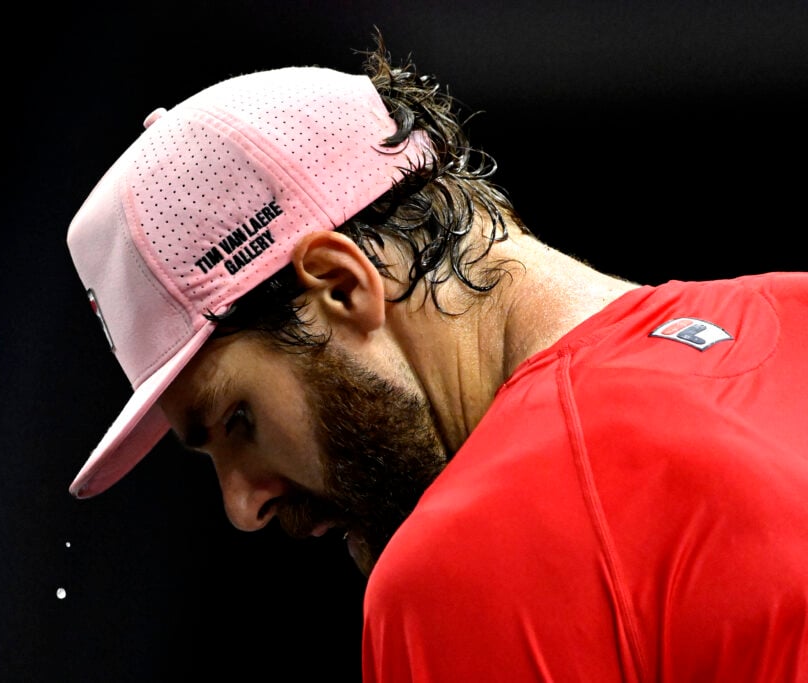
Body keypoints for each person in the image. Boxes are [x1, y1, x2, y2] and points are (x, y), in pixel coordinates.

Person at [62, 31, 807, 682]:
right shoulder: (795, 312)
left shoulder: (468, 566)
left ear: (342, 285)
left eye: (236, 418)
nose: (243, 506)